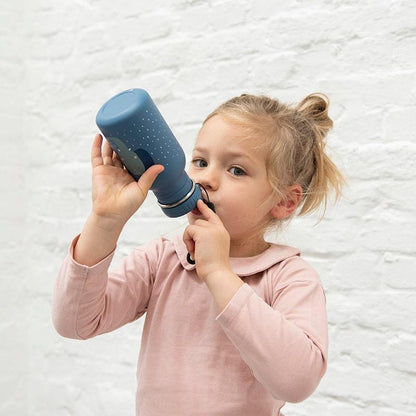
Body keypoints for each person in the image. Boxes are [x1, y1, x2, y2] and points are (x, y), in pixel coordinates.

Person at [52, 92, 344, 416]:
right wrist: (104, 221)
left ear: (284, 202)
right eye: (201, 162)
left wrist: (219, 274)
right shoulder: (164, 257)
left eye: (236, 170)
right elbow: (75, 322)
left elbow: (298, 381)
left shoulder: (288, 277)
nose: (206, 177)